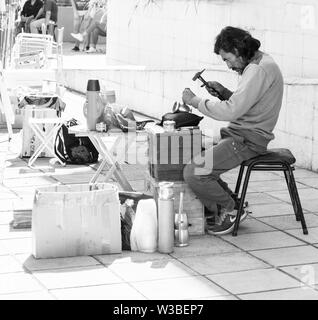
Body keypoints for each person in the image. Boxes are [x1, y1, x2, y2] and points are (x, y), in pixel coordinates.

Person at [182, 26, 284, 235]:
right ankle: (233, 204)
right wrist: (224, 92)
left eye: (228, 59)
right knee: (195, 157)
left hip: (247, 139)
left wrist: (195, 101)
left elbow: (231, 111)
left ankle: (230, 210)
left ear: (238, 50)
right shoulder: (260, 63)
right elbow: (246, 103)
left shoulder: (257, 70)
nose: (228, 65)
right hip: (242, 134)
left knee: (194, 172)